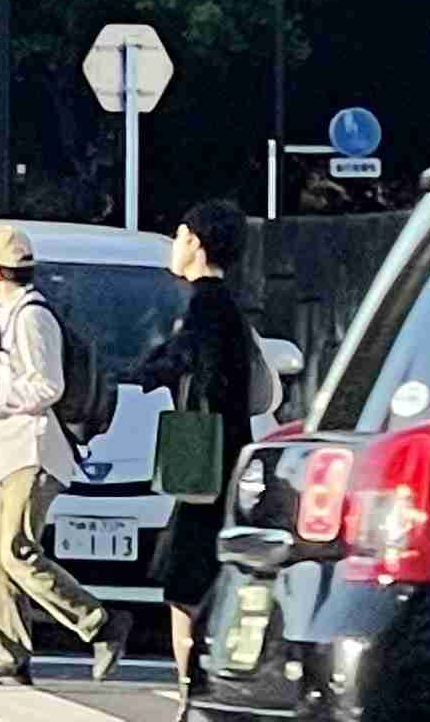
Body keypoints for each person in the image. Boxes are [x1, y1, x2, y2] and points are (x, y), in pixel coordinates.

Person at [0, 224, 125, 688]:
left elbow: (49, 386)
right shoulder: (15, 313)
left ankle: (100, 623)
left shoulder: (31, 316)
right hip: (17, 448)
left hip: (33, 449)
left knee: (16, 551)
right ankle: (8, 655)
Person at [140, 201, 264, 700]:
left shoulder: (205, 305)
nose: (174, 245)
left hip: (205, 456)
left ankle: (193, 691)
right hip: (227, 451)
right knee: (203, 573)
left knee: (186, 580)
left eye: (178, 235)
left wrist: (156, 367)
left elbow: (199, 366)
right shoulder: (227, 306)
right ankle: (197, 688)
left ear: (193, 240)